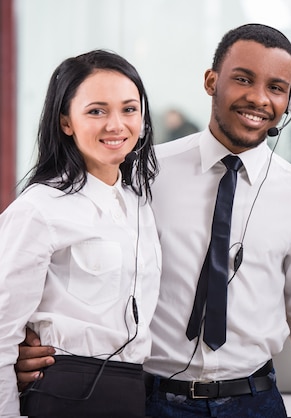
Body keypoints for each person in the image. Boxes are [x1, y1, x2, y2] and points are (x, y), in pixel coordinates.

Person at [14, 24, 291, 417]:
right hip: (151, 398)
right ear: (212, 81)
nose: (259, 98)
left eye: (276, 87)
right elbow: (96, 267)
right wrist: (45, 348)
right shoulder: (145, 172)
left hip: (255, 400)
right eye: (243, 79)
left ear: (289, 101)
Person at [0, 49, 161, 417]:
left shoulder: (138, 205)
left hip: (133, 391)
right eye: (96, 111)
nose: (116, 125)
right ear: (66, 122)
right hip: (68, 391)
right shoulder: (39, 209)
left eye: (129, 109)